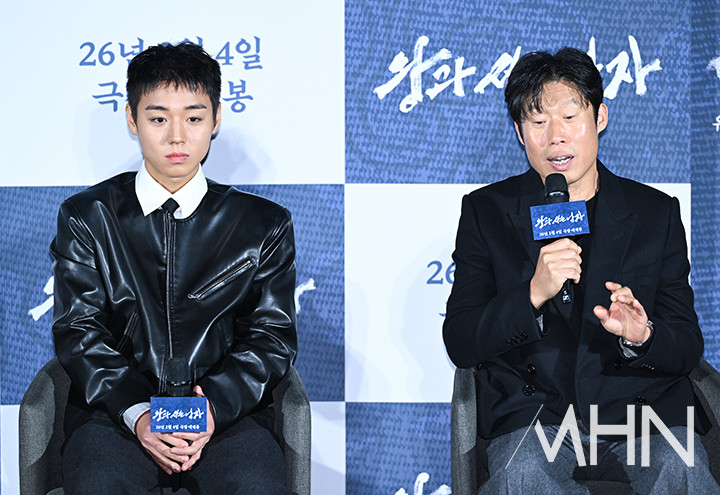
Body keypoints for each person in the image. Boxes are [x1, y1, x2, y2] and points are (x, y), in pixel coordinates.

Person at [442, 47, 718, 494]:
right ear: (520, 132)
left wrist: (642, 335)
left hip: (640, 413)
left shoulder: (655, 212)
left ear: (600, 117)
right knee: (521, 475)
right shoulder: (486, 212)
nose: (556, 137)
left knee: (681, 468)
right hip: (535, 415)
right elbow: (461, 340)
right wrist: (532, 294)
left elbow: (686, 345)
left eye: (570, 117)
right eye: (538, 122)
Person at [51, 42, 297, 494]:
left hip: (225, 418)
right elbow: (78, 330)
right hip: (117, 414)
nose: (177, 137)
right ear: (132, 119)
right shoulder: (88, 216)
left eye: (194, 118)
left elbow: (271, 336)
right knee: (99, 483)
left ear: (216, 119)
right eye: (159, 118)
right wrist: (139, 413)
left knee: (253, 484)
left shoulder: (263, 224)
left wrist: (212, 408)